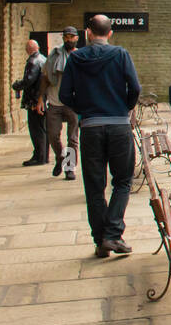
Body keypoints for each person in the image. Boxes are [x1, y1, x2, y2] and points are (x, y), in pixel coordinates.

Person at [60, 15, 142, 258]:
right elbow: (135, 87)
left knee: (95, 186)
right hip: (118, 126)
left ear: (87, 33)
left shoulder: (76, 58)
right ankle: (113, 234)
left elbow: (65, 94)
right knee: (123, 180)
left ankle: (100, 240)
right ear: (110, 33)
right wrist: (124, 107)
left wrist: (84, 110)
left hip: (91, 127)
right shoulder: (120, 55)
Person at [39, 26, 80, 181]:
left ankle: (70, 168)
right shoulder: (54, 55)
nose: (69, 40)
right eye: (66, 37)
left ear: (76, 38)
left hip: (72, 103)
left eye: (71, 37)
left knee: (72, 138)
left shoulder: (80, 57)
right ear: (63, 38)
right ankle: (60, 157)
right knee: (53, 135)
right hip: (54, 101)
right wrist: (40, 98)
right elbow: (45, 77)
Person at [12, 39, 47, 166]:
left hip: (34, 100)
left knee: (36, 129)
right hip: (42, 99)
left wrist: (17, 85)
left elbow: (29, 80)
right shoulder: (43, 59)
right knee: (42, 129)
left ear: (28, 50)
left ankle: (39, 156)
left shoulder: (33, 61)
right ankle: (43, 155)